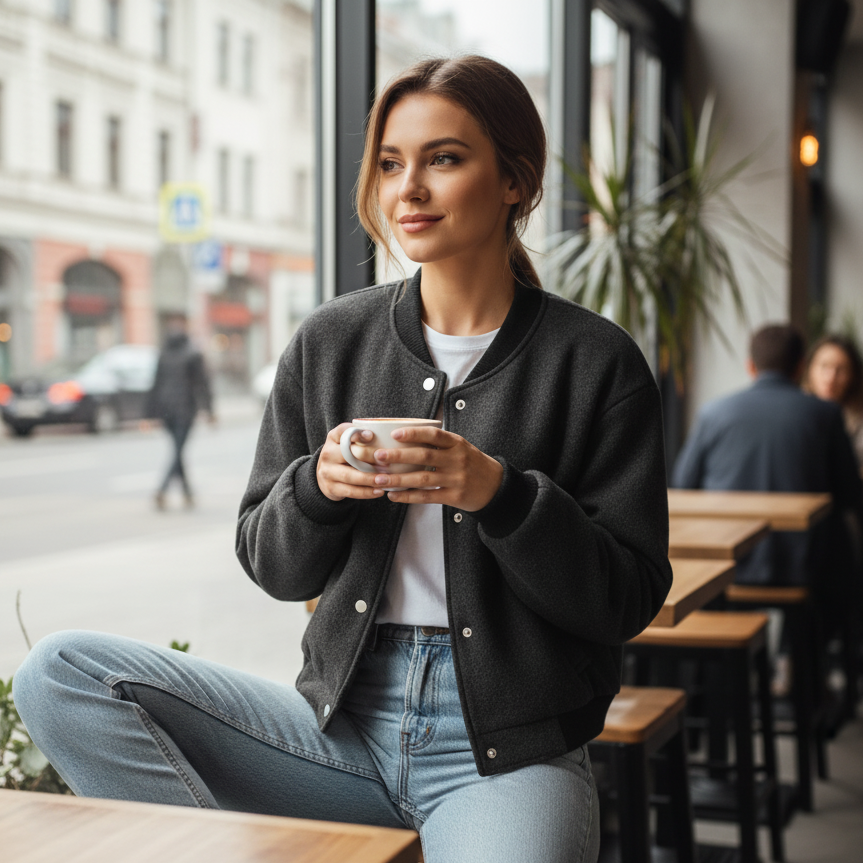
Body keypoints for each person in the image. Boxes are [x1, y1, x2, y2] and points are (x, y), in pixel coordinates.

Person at [13, 57, 671, 862]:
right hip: (336, 732)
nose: (408, 189)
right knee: (63, 674)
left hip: (502, 757)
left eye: (444, 158)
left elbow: (626, 597)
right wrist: (316, 488)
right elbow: (272, 564)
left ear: (514, 182)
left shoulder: (593, 361)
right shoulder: (332, 340)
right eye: (391, 163)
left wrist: (500, 495)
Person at [673, 323, 862, 587]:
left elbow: (683, 485)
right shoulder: (825, 415)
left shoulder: (712, 414)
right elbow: (849, 494)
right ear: (800, 367)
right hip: (803, 566)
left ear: (750, 366)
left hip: (728, 564)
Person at [146, 315, 215, 510]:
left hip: (165, 410)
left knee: (178, 449)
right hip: (185, 410)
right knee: (178, 450)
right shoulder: (193, 353)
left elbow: (155, 385)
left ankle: (187, 493)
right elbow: (203, 384)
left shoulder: (164, 353)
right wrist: (209, 410)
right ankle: (162, 488)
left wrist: (149, 414)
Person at [804, 334, 863, 470]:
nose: (831, 378)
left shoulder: (858, 419)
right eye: (824, 366)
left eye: (841, 369)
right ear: (808, 369)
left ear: (853, 376)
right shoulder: (795, 413)